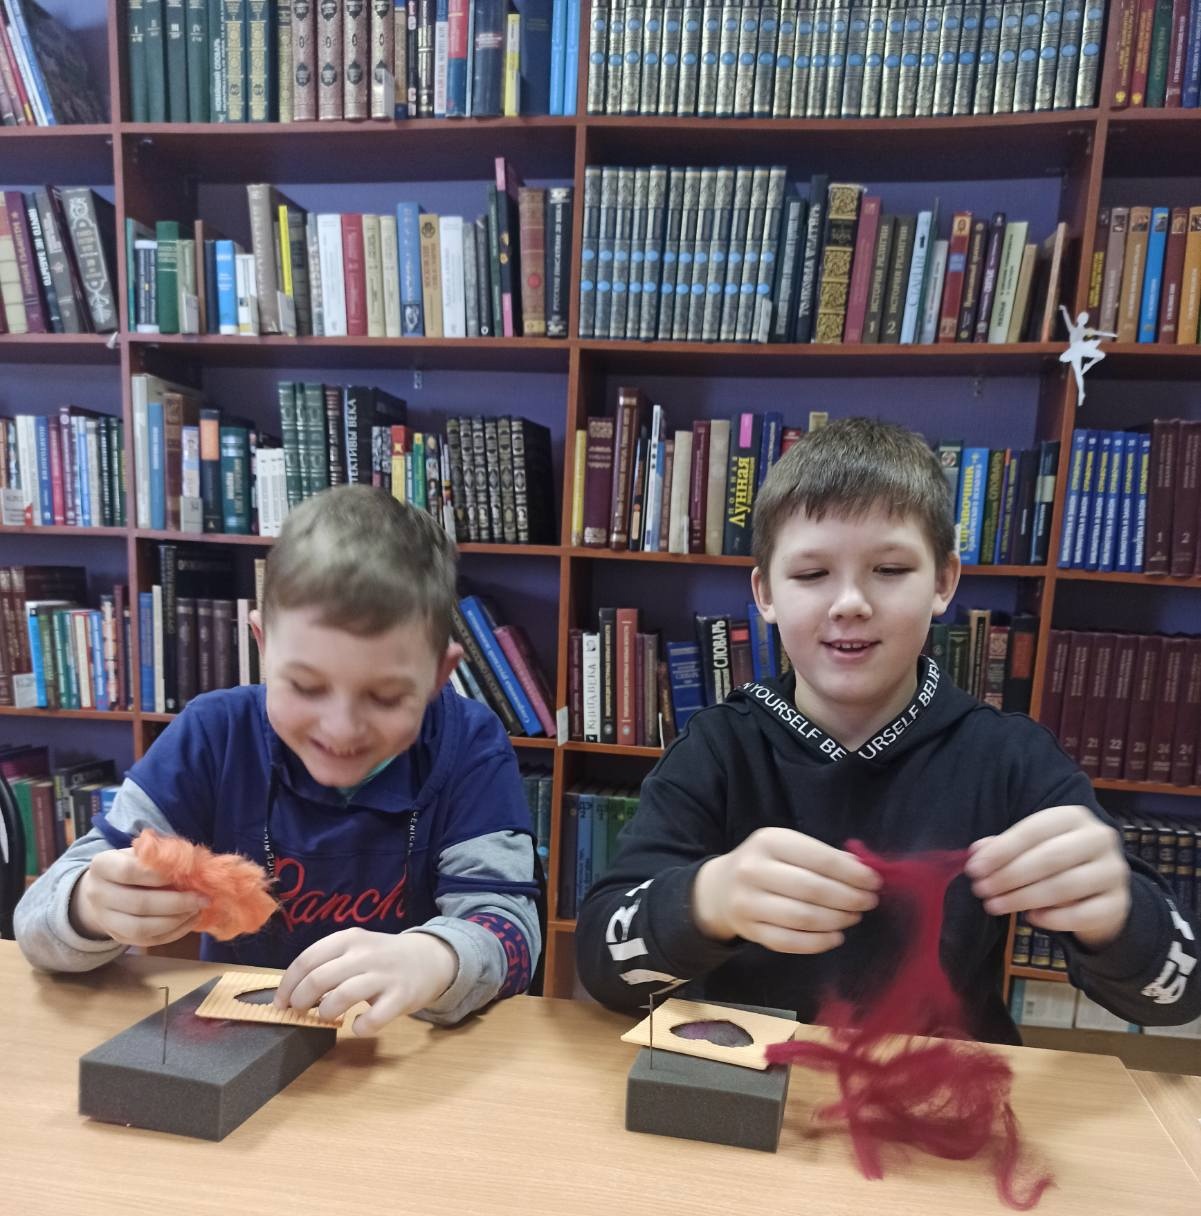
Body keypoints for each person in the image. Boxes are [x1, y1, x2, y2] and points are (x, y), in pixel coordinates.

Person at [576, 418, 1199, 1042]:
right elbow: (603, 971)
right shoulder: (717, 750)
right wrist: (705, 902)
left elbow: (1178, 998)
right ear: (765, 594)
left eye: (891, 569)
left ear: (944, 582)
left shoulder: (1010, 758)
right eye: (812, 574)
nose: (850, 602)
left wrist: (1116, 918)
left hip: (940, 1084)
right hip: (750, 1082)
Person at [16, 486, 542, 1033]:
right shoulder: (213, 735)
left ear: (438, 674)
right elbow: (35, 922)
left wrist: (438, 957)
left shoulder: (469, 744)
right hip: (237, 1042)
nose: (341, 728)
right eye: (306, 686)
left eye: (386, 697)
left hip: (397, 1051)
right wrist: (88, 906)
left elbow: (511, 934)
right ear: (263, 645)